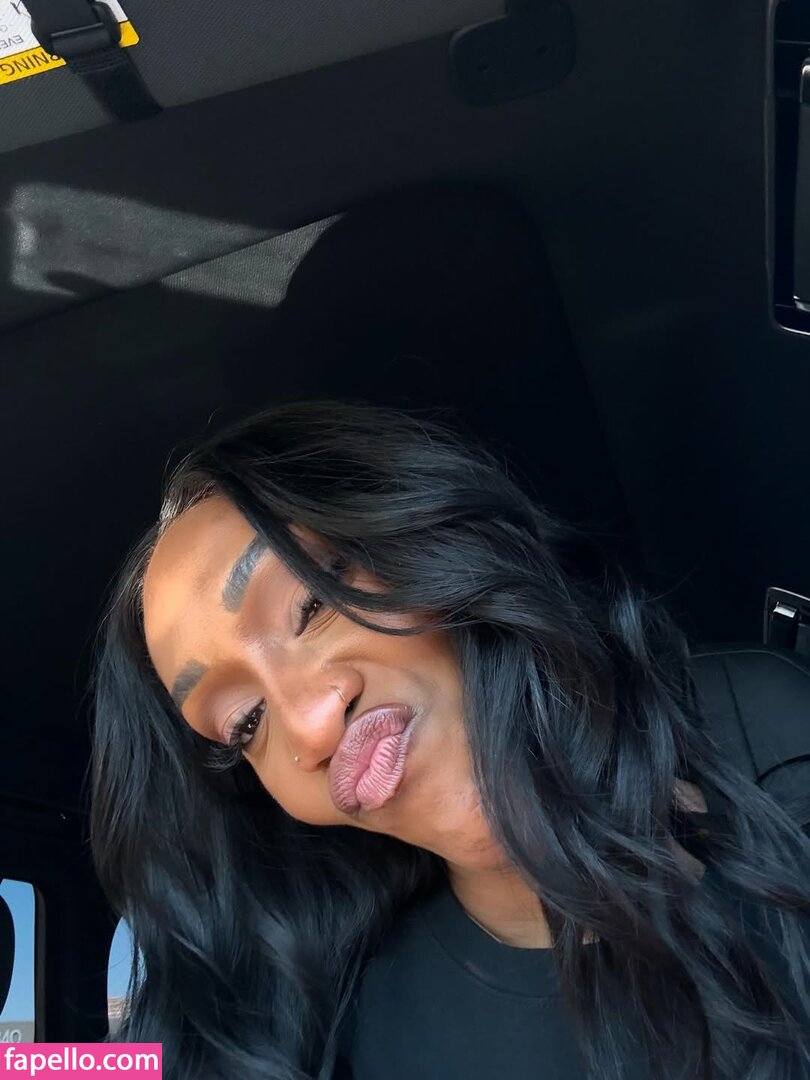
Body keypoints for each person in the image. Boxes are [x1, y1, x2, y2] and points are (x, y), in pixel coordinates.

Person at [90, 397, 810, 1080]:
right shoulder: (376, 1031)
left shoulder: (770, 729)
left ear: (430, 541)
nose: (311, 724)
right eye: (246, 722)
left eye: (311, 604)